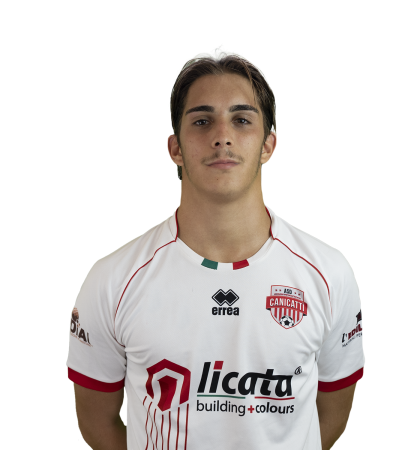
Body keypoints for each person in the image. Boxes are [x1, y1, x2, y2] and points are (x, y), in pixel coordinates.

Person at [67, 43, 364, 450]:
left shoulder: (329, 273)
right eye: (202, 121)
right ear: (175, 148)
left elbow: (331, 414)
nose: (222, 137)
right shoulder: (112, 279)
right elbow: (96, 421)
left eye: (241, 120)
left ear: (268, 145)